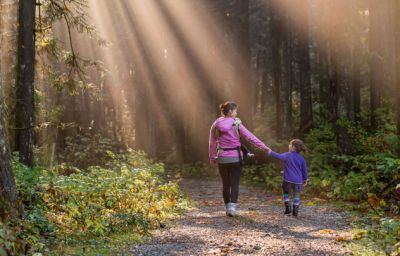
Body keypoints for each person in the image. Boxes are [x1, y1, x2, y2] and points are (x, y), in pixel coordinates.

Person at [209, 101, 270, 217]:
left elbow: (211, 143)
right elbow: (250, 137)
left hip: (222, 158)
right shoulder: (236, 123)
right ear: (231, 111)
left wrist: (212, 157)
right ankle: (232, 208)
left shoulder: (216, 123)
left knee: (226, 184)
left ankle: (227, 208)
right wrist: (264, 147)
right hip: (235, 158)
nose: (237, 113)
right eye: (236, 111)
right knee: (235, 183)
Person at [267, 139, 308, 217]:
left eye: (290, 144)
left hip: (287, 180)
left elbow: (278, 156)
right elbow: (304, 171)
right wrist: (305, 179)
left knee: (286, 193)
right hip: (298, 181)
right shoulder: (302, 159)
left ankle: (288, 208)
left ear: (293, 147)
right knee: (296, 195)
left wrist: (269, 151)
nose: (288, 145)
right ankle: (295, 212)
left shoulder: (287, 155)